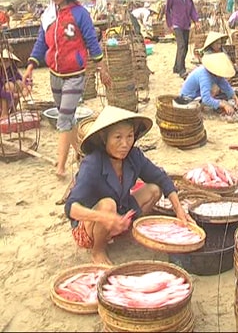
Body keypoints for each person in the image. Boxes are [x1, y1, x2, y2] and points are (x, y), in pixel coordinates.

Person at [64, 105, 193, 264]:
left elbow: (161, 178)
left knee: (154, 190)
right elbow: (71, 208)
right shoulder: (93, 163)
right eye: (118, 137)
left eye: (130, 136)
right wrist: (105, 217)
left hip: (120, 212)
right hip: (89, 227)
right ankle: (98, 251)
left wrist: (179, 210)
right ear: (105, 138)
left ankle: (127, 232)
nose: (125, 144)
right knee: (108, 204)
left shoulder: (134, 156)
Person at [22, 0, 112, 177]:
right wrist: (30, 66)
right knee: (68, 119)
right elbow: (40, 43)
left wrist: (102, 68)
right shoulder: (48, 15)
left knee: (63, 119)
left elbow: (92, 41)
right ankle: (81, 153)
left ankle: (61, 166)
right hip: (55, 74)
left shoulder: (80, 13)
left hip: (74, 75)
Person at [166, 0, 200, 79]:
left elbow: (192, 10)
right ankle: (182, 70)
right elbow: (167, 11)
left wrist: (196, 20)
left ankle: (176, 67)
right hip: (177, 24)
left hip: (186, 24)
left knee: (184, 46)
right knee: (181, 46)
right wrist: (170, 24)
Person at [1, 49, 30, 119]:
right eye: (2, 61)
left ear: (11, 62)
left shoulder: (13, 72)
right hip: (2, 100)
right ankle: (4, 113)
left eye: (7, 61)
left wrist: (27, 87)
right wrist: (15, 95)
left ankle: (13, 111)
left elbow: (23, 80)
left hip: (9, 99)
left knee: (19, 83)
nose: (4, 63)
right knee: (9, 85)